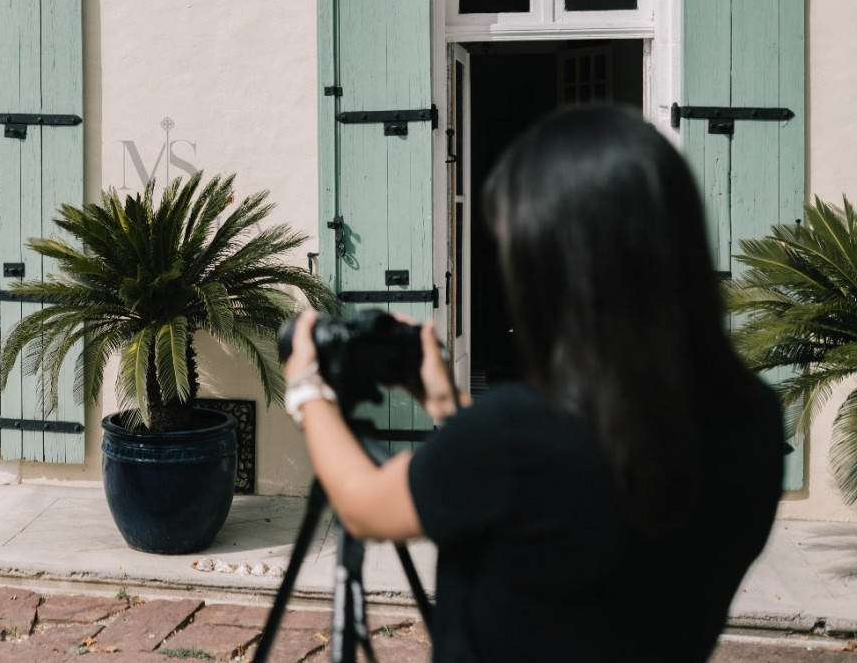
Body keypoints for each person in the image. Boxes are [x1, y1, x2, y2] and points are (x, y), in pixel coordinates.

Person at [283, 105, 786, 663]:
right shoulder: (754, 420)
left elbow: (362, 505)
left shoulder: (514, 436)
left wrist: (306, 385)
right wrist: (448, 404)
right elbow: (549, 488)